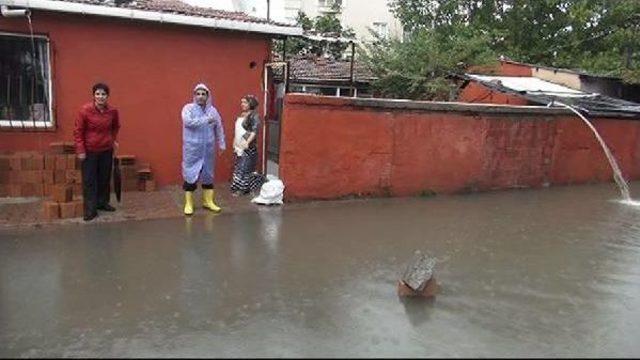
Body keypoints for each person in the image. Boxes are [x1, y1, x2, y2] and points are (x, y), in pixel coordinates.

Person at [74, 82, 120, 221]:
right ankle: (90, 209)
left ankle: (102, 203)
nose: (101, 97)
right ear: (93, 96)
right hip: (89, 151)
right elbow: (78, 132)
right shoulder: (84, 111)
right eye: (98, 94)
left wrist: (113, 140)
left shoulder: (112, 111)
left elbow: (115, 126)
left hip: (106, 150)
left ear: (108, 96)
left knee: (104, 178)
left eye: (103, 94)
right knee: (89, 181)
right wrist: (81, 150)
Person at [181, 83, 226, 215]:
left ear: (208, 96)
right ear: (194, 95)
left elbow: (219, 127)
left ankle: (208, 201)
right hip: (192, 149)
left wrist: (221, 143)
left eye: (203, 94)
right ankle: (189, 203)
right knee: (190, 175)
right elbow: (188, 122)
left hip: (208, 149)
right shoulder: (188, 109)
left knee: (208, 175)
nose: (200, 97)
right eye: (198, 94)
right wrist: (205, 120)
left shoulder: (213, 111)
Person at [230, 95, 265, 196]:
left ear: (251, 103)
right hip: (238, 145)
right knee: (238, 167)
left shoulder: (254, 116)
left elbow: (253, 131)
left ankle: (243, 189)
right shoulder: (242, 115)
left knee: (245, 168)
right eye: (242, 102)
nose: (243, 104)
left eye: (245, 102)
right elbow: (238, 131)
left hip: (247, 147)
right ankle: (237, 186)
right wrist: (235, 141)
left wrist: (247, 142)